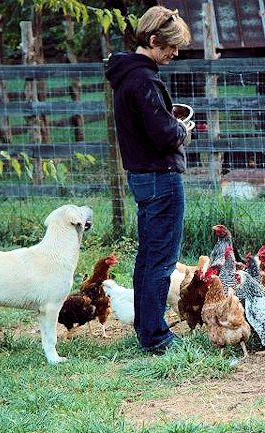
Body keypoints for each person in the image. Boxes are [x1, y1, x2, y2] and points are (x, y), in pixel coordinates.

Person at [105, 7, 193, 354]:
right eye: (170, 46)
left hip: (142, 177)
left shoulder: (126, 76)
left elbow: (147, 126)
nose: (175, 53)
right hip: (161, 177)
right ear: (153, 40)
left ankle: (146, 327)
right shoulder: (144, 80)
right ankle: (156, 337)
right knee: (161, 260)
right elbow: (162, 135)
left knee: (148, 258)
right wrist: (181, 131)